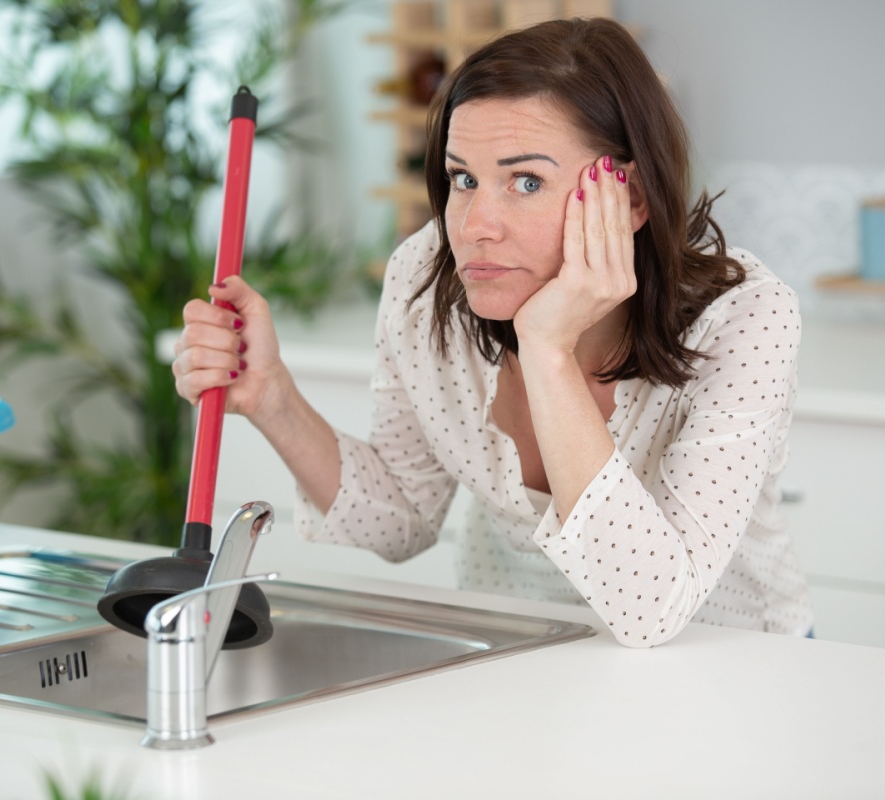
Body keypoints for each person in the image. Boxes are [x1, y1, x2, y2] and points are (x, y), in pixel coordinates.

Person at [173, 17, 813, 647]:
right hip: (522, 655)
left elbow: (653, 611)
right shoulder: (427, 282)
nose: (477, 225)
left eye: (526, 181)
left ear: (632, 198)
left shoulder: (744, 321)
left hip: (733, 670)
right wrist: (272, 398)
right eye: (463, 179)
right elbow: (401, 518)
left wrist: (548, 349)